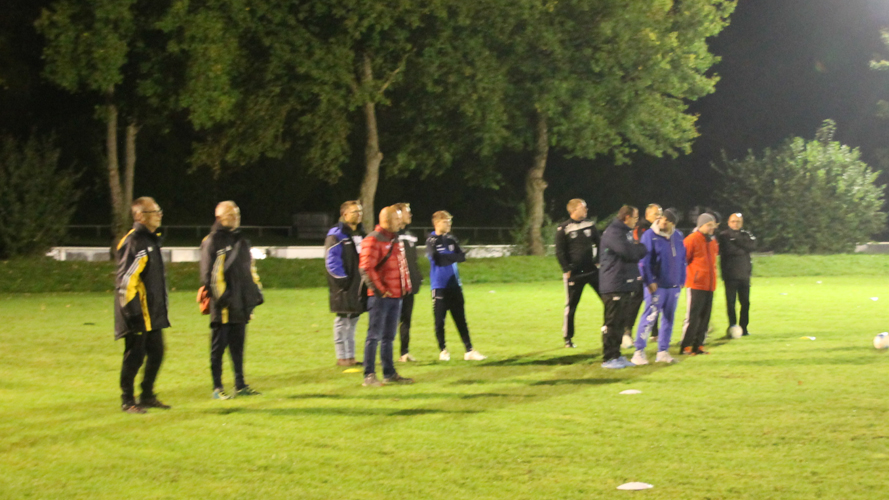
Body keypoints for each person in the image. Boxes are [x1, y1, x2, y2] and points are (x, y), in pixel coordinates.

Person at [200, 201, 264, 400]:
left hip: (241, 303)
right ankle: (217, 388)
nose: (236, 218)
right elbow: (210, 275)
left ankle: (240, 384)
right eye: (231, 214)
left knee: (238, 347)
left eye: (237, 214)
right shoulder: (212, 241)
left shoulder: (242, 240)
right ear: (219, 217)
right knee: (218, 348)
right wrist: (224, 299)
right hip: (224, 306)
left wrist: (255, 292)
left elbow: (250, 268)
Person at [114, 197, 171, 414]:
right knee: (134, 356)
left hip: (151, 313)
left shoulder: (151, 240)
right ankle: (128, 400)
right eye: (154, 212)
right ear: (140, 216)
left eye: (159, 210)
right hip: (137, 313)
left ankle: (147, 395)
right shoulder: (134, 241)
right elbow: (126, 281)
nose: (159, 215)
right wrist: (132, 312)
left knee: (157, 353)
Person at [358, 206, 414, 387]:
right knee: (374, 336)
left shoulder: (395, 239)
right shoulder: (373, 239)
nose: (400, 222)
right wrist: (380, 290)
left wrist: (405, 286)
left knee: (389, 337)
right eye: (397, 219)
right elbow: (366, 268)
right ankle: (369, 375)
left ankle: (389, 373)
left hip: (396, 295)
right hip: (380, 297)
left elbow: (401, 266)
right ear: (386, 220)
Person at [426, 210, 487, 362]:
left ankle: (469, 350)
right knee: (439, 321)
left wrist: (448, 257)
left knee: (461, 319)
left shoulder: (451, 239)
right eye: (446, 221)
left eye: (450, 221)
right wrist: (452, 257)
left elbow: (462, 257)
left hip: (455, 285)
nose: (449, 224)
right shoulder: (431, 240)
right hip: (439, 286)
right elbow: (438, 260)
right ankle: (443, 350)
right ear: (437, 223)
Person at [631, 209, 685, 365]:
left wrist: (682, 279)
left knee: (669, 318)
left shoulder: (678, 236)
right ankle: (638, 352)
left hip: (673, 286)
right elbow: (644, 261)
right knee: (649, 317)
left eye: (666, 220)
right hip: (657, 285)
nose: (662, 222)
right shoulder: (649, 235)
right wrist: (649, 281)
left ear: (672, 224)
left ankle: (663, 351)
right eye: (661, 218)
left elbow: (682, 259)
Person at [598, 205, 647, 369]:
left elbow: (631, 251)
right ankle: (608, 358)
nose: (636, 221)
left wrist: (636, 249)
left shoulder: (624, 233)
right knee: (612, 323)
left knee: (620, 322)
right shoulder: (614, 232)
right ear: (627, 217)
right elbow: (629, 253)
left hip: (623, 284)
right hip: (613, 284)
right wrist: (640, 248)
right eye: (635, 217)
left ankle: (616, 355)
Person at [554, 198, 601, 348]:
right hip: (575, 274)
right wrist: (566, 269)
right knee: (571, 306)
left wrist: (598, 260)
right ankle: (568, 338)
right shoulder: (564, 228)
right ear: (574, 210)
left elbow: (600, 243)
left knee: (608, 299)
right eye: (583, 208)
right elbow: (559, 251)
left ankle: (610, 330)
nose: (586, 210)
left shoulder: (590, 225)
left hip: (592, 271)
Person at [324, 200, 366, 366]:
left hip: (358, 285)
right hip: (344, 286)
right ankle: (342, 357)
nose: (359, 214)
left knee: (353, 320)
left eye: (360, 211)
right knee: (342, 320)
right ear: (345, 214)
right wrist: (343, 282)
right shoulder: (336, 234)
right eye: (355, 211)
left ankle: (351, 357)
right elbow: (332, 261)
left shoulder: (361, 234)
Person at [681, 213, 720, 355]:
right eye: (709, 225)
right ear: (701, 225)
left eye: (713, 225)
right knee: (693, 317)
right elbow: (683, 260)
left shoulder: (712, 241)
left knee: (705, 317)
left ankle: (699, 345)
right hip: (696, 284)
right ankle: (686, 345)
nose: (712, 228)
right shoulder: (691, 239)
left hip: (709, 285)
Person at [626, 203, 663, 347]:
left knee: (655, 300)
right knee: (636, 301)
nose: (659, 217)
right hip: (640, 270)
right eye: (656, 214)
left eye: (660, 214)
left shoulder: (658, 229)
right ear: (647, 215)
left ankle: (655, 333)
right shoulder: (641, 228)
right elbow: (643, 249)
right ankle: (627, 331)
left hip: (654, 271)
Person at [717, 212, 755, 336]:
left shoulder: (746, 234)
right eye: (733, 221)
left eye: (738, 221)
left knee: (745, 303)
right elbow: (728, 250)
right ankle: (732, 326)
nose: (735, 224)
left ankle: (744, 328)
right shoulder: (723, 235)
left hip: (744, 274)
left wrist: (737, 241)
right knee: (731, 303)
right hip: (730, 274)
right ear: (728, 222)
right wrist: (743, 248)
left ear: (742, 223)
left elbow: (752, 246)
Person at [394, 202, 422, 362]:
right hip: (394, 285)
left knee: (406, 319)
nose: (410, 215)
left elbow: (413, 260)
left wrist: (417, 277)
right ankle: (384, 353)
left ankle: (404, 353)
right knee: (391, 320)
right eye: (407, 212)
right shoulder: (391, 235)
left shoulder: (411, 235)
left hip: (409, 284)